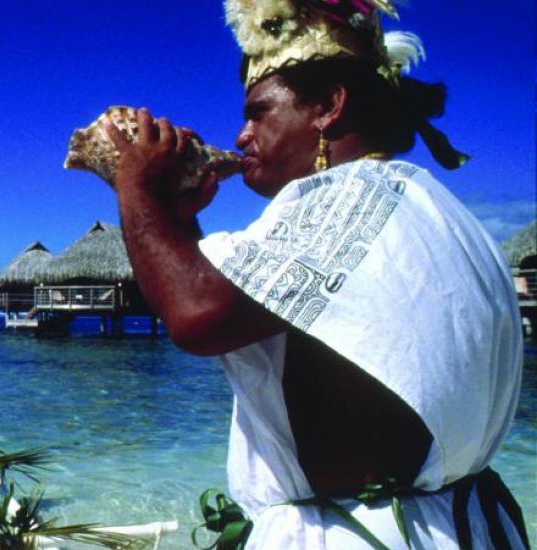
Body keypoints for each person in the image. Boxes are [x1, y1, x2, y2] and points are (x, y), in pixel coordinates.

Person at [103, 1, 527, 548]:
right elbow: (246, 306)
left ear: (329, 106)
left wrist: (135, 187)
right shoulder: (429, 205)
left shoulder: (347, 195)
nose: (240, 136)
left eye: (259, 113)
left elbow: (197, 315)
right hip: (454, 526)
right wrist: (180, 225)